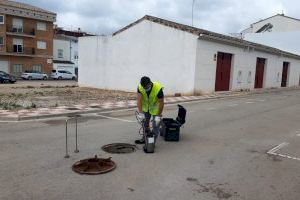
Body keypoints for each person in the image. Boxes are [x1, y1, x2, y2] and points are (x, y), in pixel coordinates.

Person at [135, 76, 164, 144]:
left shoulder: (158, 88)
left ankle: (151, 143)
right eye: (144, 88)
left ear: (150, 84)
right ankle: (144, 139)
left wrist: (158, 115)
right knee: (145, 124)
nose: (145, 89)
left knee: (155, 125)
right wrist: (141, 113)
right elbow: (139, 100)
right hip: (146, 108)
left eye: (146, 87)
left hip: (155, 108)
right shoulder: (140, 87)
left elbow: (161, 103)